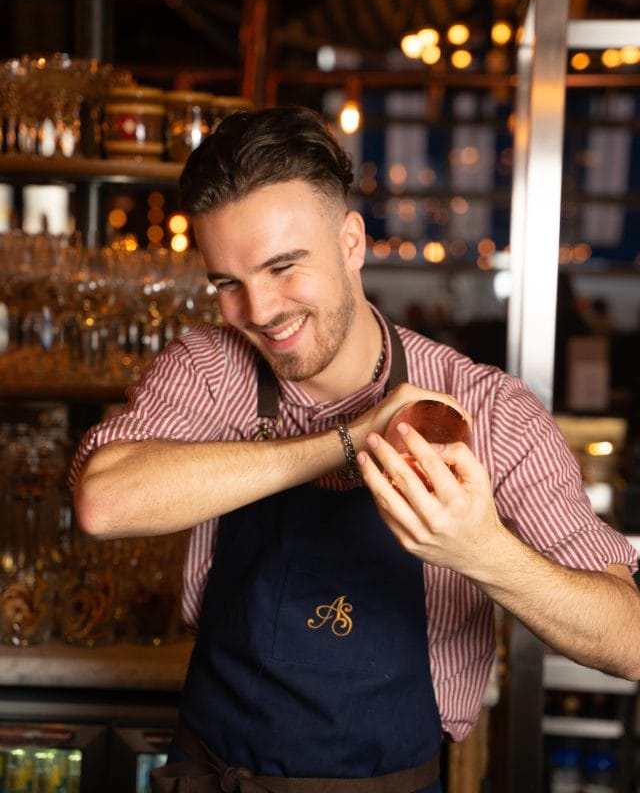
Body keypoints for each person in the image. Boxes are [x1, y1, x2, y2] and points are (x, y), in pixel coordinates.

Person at [69, 106, 640, 793]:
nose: (259, 311)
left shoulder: (487, 409)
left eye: (284, 267)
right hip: (213, 775)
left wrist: (478, 549)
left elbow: (629, 639)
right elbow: (102, 499)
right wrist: (349, 438)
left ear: (350, 243)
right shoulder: (212, 370)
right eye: (228, 283)